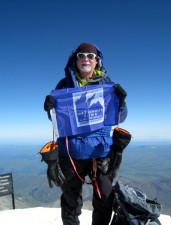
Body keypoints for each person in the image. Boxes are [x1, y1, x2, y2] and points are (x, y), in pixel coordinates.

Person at [43, 42, 128, 225]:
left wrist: (121, 102)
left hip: (101, 151)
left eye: (90, 56)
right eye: (81, 55)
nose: (85, 59)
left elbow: (121, 116)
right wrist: (50, 110)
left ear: (97, 61)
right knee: (71, 202)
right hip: (71, 152)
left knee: (105, 198)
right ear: (76, 59)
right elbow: (58, 121)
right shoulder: (64, 84)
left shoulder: (107, 85)